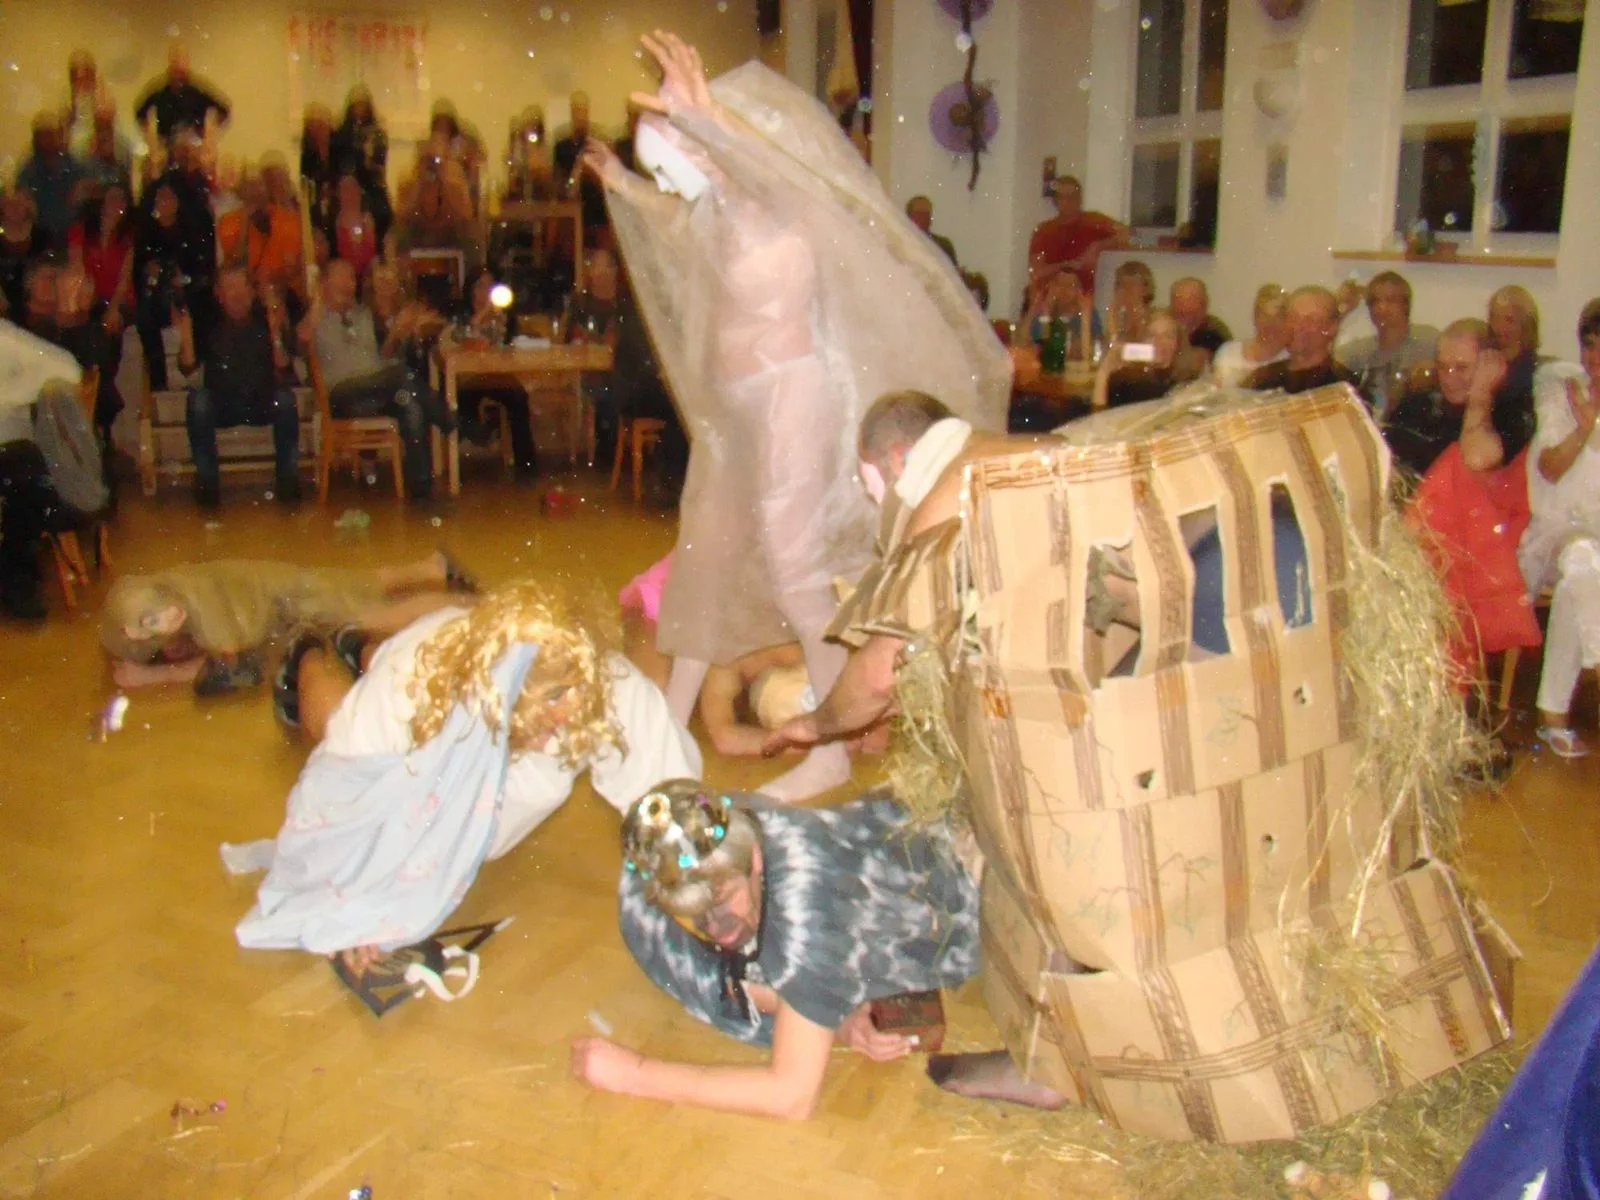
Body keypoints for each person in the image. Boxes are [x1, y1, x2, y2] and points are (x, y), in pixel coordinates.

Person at [584, 32, 1009, 800]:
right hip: (738, 414)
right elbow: (675, 221)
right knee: (703, 565)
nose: (671, 183)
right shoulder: (715, 210)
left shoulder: (771, 196)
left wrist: (706, 117)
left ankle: (832, 750)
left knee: (798, 576)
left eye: (673, 164)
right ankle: (669, 732)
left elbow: (755, 161)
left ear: (711, 147)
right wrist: (622, 181)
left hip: (788, 399)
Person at [230, 583, 702, 969]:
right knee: (339, 721)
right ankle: (309, 652)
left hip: (483, 749)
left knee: (557, 756)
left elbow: (669, 797)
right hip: (413, 733)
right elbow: (339, 800)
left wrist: (698, 870)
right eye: (547, 719)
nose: (557, 731)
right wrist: (351, 905)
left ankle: (361, 646)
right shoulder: (411, 684)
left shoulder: (601, 680)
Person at [569, 779, 979, 1119]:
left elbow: (791, 1096)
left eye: (723, 900)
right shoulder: (704, 834)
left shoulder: (805, 916)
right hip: (903, 822)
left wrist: (635, 1073)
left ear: (755, 858)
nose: (717, 927)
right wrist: (837, 1021)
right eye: (696, 915)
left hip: (970, 896)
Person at [100, 552, 475, 694]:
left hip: (279, 597)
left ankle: (472, 608)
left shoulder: (193, 603)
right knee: (348, 587)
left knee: (366, 615)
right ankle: (433, 568)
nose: (169, 617)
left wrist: (152, 676)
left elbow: (228, 662)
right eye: (154, 621)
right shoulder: (168, 593)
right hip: (270, 589)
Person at [1519, 300, 1600, 759]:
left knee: (1580, 573)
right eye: (1589, 345)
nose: (1595, 358)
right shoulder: (1558, 388)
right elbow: (1549, 469)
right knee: (1580, 554)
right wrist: (1583, 430)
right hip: (1552, 534)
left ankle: (1554, 715)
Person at [300, 258, 451, 501]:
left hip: (376, 390)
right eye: (341, 276)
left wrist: (398, 334)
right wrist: (318, 299)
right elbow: (302, 337)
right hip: (342, 396)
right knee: (402, 377)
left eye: (351, 277)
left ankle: (422, 490)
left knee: (409, 401)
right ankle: (449, 419)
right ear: (325, 283)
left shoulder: (364, 314)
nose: (348, 283)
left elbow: (382, 358)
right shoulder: (317, 318)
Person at [176, 264, 299, 508]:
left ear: (252, 292)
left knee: (286, 399)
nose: (237, 294)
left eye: (242, 286)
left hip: (261, 401)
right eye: (229, 287)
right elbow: (188, 367)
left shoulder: (266, 317)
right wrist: (186, 333)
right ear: (219, 294)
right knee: (198, 401)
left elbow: (284, 368)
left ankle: (288, 481)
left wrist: (275, 332)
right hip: (223, 403)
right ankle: (207, 484)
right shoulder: (208, 323)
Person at [0, 319, 87, 619]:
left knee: (25, 468)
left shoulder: (4, 337)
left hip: (10, 451)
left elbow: (68, 369)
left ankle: (17, 579)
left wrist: (8, 395)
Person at [1383, 318, 1524, 480]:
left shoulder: (1509, 416)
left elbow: (1474, 463)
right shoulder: (1419, 403)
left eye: (1461, 368)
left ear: (1490, 365)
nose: (1449, 378)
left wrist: (1479, 397)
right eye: (1443, 367)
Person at [66, 185, 134, 444]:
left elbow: (124, 280)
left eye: (122, 199)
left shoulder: (127, 236)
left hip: (117, 299)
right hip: (88, 296)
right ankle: (104, 407)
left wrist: (112, 308)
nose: (117, 204)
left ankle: (102, 407)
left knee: (109, 330)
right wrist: (86, 300)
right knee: (91, 336)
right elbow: (76, 268)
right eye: (112, 198)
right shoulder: (81, 230)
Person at [457, 268, 538, 481]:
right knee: (462, 399)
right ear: (471, 291)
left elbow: (509, 345)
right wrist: (482, 315)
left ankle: (526, 463)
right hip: (468, 375)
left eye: (490, 285)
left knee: (518, 396)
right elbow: (462, 338)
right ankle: (479, 434)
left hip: (497, 374)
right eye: (480, 286)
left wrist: (501, 323)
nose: (486, 291)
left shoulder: (503, 316)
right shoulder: (463, 316)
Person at [1337, 271, 1439, 417]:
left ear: (1406, 305)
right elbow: (1324, 364)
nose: (1382, 308)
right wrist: (1341, 310)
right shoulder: (1361, 350)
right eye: (1375, 302)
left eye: (1391, 300)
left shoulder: (1429, 340)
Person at [1247, 286, 1362, 396]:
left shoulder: (1344, 387)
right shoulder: (1261, 378)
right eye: (1293, 318)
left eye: (1311, 320)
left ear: (1332, 328)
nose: (1299, 326)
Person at [1027, 175, 1126, 295]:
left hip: (1085, 299)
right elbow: (1036, 272)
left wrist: (1098, 246)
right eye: (1063, 197)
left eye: (1073, 196)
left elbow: (1125, 234)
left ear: (1080, 199)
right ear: (1055, 201)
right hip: (1051, 299)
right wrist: (1066, 265)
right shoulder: (1044, 230)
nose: (1069, 201)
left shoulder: (1094, 220)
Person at [215, 168, 304, 300]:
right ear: (240, 192)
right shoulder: (228, 222)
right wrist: (245, 223)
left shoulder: (288, 219)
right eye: (250, 185)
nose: (255, 191)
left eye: (259, 185)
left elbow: (295, 265)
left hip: (283, 294)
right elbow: (235, 265)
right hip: (246, 295)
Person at [1091, 308, 1193, 410]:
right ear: (1142, 340)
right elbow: (1100, 416)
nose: (1158, 342)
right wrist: (1104, 373)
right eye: (1152, 335)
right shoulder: (1127, 381)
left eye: (1167, 336)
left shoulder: (1185, 383)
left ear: (1177, 343)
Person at [16, 113, 89, 250]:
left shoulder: (77, 169)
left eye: (52, 135)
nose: (49, 141)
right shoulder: (27, 173)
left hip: (72, 243)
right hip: (38, 243)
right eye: (44, 135)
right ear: (36, 139)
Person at [134, 43, 229, 149]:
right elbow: (140, 113)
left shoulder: (198, 90)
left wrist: (208, 136)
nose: (178, 73)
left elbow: (223, 110)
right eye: (175, 66)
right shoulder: (159, 90)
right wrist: (151, 141)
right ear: (170, 65)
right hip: (168, 149)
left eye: (181, 69)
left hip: (193, 150)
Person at [331, 86, 392, 247]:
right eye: (356, 106)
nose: (359, 110)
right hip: (347, 190)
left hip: (372, 189)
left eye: (363, 106)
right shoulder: (341, 135)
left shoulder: (378, 134)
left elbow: (378, 166)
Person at [553, 91, 610, 245]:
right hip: (570, 209)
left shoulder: (596, 145)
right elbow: (562, 186)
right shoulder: (562, 147)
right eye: (577, 112)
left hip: (596, 212)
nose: (580, 118)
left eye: (583, 112)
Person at [1211, 284, 1288, 388]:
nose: (1270, 323)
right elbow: (1215, 392)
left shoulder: (1288, 358)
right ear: (1255, 317)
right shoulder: (1228, 352)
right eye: (1264, 316)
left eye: (1277, 317)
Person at [1488, 284, 1543, 420]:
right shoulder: (1486, 359)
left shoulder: (1532, 371)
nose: (1500, 327)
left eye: (1509, 320)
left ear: (1526, 324)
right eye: (1495, 318)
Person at [0, 189, 51, 319]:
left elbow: (50, 270)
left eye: (20, 203)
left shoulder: (43, 237)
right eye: (9, 204)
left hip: (38, 305)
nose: (15, 208)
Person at [329, 174, 380, 283]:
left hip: (369, 282)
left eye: (353, 188)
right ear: (338, 194)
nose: (350, 194)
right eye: (345, 189)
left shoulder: (370, 220)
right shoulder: (331, 226)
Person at [1168, 276, 1231, 361]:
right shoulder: (1159, 323)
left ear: (1205, 305)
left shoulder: (1215, 331)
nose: (1185, 305)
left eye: (1192, 299)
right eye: (1178, 298)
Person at [905, 195, 957, 266]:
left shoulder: (944, 244)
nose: (924, 218)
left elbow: (953, 270)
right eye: (919, 213)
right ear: (909, 217)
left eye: (927, 214)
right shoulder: (901, 240)